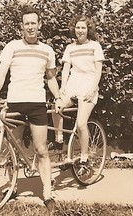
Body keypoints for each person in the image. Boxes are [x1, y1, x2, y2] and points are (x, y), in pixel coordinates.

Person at [0, 5, 60, 211]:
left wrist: (59, 97)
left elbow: (51, 78)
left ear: (39, 25)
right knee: (12, 149)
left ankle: (47, 193)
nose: (30, 27)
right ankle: (12, 187)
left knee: (41, 149)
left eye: (33, 23)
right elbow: (1, 75)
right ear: (21, 27)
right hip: (15, 103)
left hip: (37, 104)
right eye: (26, 23)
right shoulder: (12, 47)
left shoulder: (47, 50)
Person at [50, 15, 105, 175]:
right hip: (73, 85)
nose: (80, 30)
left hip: (88, 85)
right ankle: (59, 139)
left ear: (88, 30)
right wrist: (62, 89)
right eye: (78, 27)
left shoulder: (95, 46)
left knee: (81, 124)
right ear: (74, 29)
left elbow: (98, 70)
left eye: (83, 28)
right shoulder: (70, 48)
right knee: (57, 106)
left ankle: (84, 159)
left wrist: (93, 89)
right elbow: (66, 69)